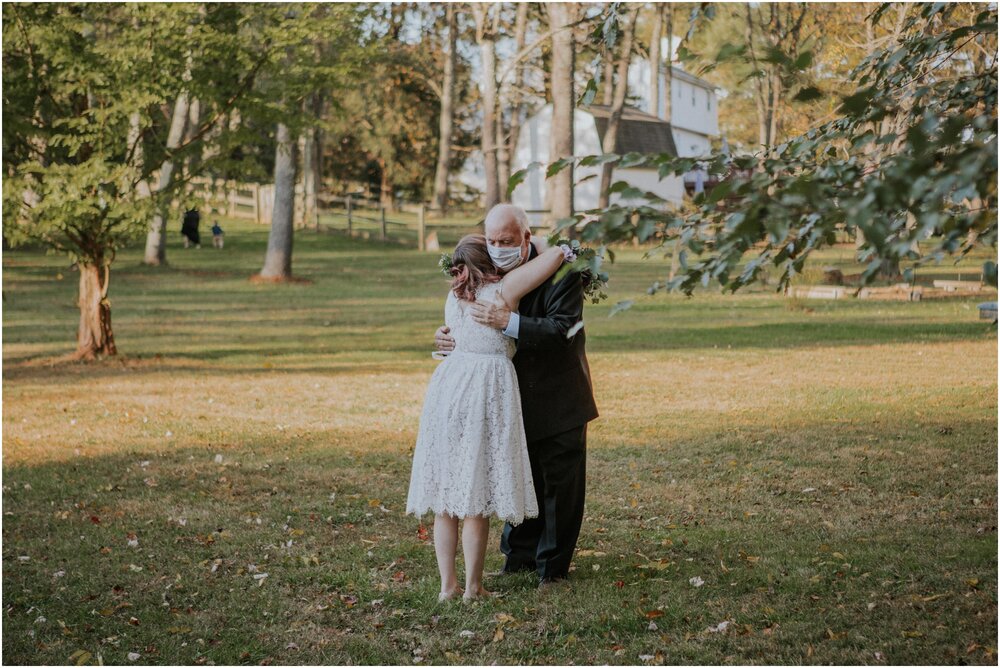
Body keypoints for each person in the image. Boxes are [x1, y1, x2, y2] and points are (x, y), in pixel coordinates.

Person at [435, 204, 599, 590]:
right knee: (517, 476)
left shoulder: (562, 274)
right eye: (491, 241)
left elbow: (564, 331)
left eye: (506, 241)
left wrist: (507, 321)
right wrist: (446, 342)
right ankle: (519, 558)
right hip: (506, 397)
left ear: (527, 237)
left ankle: (552, 569)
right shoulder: (487, 272)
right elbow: (471, 332)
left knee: (559, 484)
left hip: (559, 393)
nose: (497, 248)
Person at [407, 233, 570, 602]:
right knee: (475, 493)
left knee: (448, 497)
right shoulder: (503, 290)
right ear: (490, 262)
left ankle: (447, 586)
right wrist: (542, 242)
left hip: (448, 389)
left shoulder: (454, 294)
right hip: (483, 391)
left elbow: (456, 335)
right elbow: (555, 258)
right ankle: (473, 588)